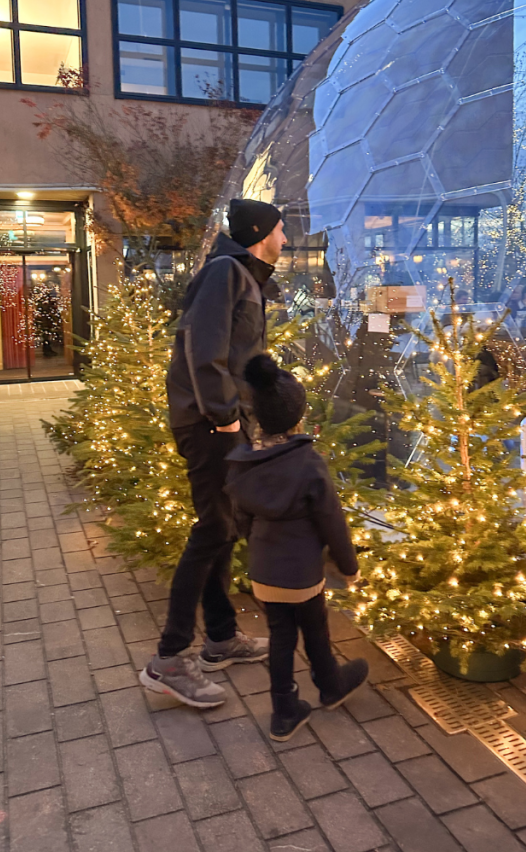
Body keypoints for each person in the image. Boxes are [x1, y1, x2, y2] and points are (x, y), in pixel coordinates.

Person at [140, 197, 287, 708]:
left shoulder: (244, 275)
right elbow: (204, 350)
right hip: (209, 424)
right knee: (211, 531)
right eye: (280, 230)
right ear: (259, 231)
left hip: (226, 423)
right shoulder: (225, 271)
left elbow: (243, 355)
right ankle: (168, 660)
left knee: (223, 528)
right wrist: (224, 416)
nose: (285, 239)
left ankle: (221, 638)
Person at [226, 354, 369, 741]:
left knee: (281, 635)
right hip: (303, 573)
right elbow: (332, 523)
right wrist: (349, 566)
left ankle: (284, 710)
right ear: (298, 417)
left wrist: (255, 542)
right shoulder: (308, 464)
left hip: (265, 572)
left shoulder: (245, 464)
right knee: (315, 627)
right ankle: (330, 684)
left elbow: (240, 518)